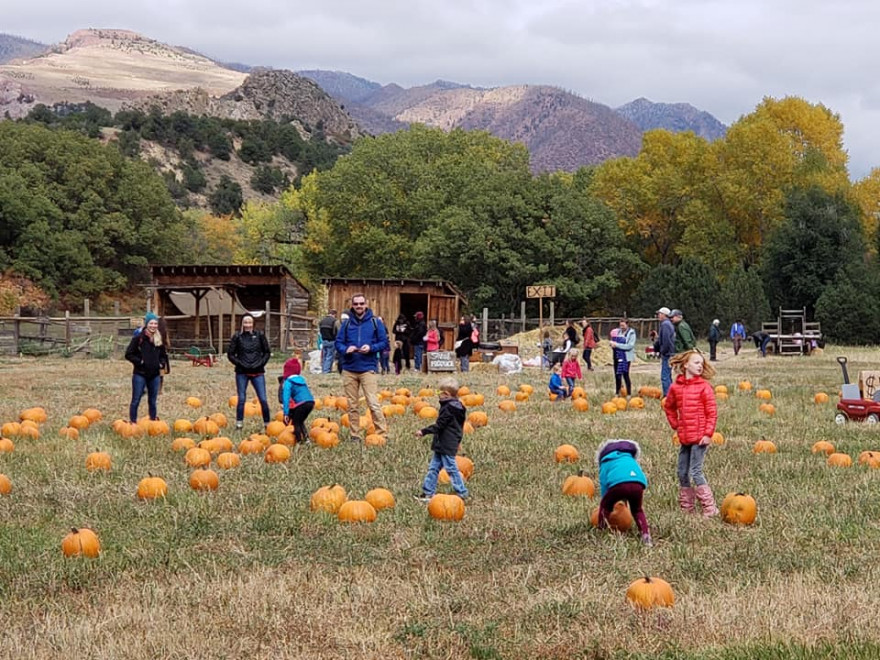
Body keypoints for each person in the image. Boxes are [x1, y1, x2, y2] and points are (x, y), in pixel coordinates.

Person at [664, 349, 718, 517]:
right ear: (685, 365)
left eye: (701, 364)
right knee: (681, 472)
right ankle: (687, 507)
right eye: (696, 363)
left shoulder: (704, 388)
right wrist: (675, 424)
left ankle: (710, 507)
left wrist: (708, 433)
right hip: (685, 437)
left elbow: (712, 412)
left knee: (696, 471)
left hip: (700, 437)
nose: (700, 366)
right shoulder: (675, 388)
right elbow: (669, 406)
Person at [335, 293, 389, 441]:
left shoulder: (375, 322)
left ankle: (382, 433)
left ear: (366, 305)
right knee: (352, 405)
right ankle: (355, 435)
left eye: (361, 304)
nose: (359, 306)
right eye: (356, 304)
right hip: (349, 368)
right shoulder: (346, 324)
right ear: (352, 306)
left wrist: (371, 347)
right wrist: (346, 349)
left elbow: (384, 342)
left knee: (372, 402)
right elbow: (338, 343)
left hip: (367, 367)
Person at [415, 377, 468, 502]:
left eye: (439, 393)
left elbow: (440, 426)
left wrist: (424, 431)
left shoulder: (449, 409)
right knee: (433, 468)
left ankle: (462, 492)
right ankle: (428, 492)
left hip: (446, 443)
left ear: (446, 394)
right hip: (443, 443)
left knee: (451, 468)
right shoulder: (457, 406)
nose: (437, 395)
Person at [595, 439, 652, 546]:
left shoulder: (606, 461)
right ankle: (646, 535)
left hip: (618, 484)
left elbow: (604, 484)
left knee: (605, 505)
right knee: (637, 509)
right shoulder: (629, 457)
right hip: (638, 482)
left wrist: (605, 500)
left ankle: (601, 529)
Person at [227, 313, 272, 430]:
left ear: (253, 324)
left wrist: (261, 363)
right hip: (242, 372)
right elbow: (230, 354)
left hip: (258, 372)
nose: (248, 325)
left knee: (263, 399)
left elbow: (267, 352)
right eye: (245, 322)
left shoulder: (260, 335)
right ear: (242, 323)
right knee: (241, 398)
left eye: (250, 322)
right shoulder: (237, 336)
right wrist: (240, 363)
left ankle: (267, 424)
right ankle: (239, 424)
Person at [125, 312, 168, 423]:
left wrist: (161, 364)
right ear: (146, 324)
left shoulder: (159, 339)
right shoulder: (139, 338)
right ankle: (133, 422)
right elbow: (129, 354)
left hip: (154, 375)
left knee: (152, 401)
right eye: (151, 323)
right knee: (136, 399)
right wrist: (140, 362)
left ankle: (153, 421)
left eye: (155, 323)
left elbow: (163, 355)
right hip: (140, 374)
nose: (153, 326)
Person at [281, 373, 315, 445]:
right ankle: (306, 439)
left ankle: (299, 441)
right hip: (311, 402)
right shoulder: (301, 380)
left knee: (296, 423)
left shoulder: (288, 382)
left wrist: (286, 413)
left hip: (301, 404)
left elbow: (286, 398)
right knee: (300, 421)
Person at [611, 319, 637, 397]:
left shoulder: (631, 333)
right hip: (617, 356)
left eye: (623, 325)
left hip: (626, 357)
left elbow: (630, 346)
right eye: (620, 325)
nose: (621, 327)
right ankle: (617, 392)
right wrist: (612, 344)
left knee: (625, 374)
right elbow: (614, 341)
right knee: (617, 375)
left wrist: (617, 345)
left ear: (627, 324)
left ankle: (628, 393)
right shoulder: (618, 332)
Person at [656, 307, 676, 396]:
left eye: (659, 314)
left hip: (667, 353)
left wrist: (662, 351)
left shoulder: (665, 325)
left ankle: (667, 395)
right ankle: (671, 393)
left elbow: (666, 340)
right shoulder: (668, 324)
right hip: (669, 353)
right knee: (668, 374)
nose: (658, 315)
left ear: (664, 315)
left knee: (665, 375)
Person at [318, 309, 339, 374]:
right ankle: (326, 371)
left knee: (324, 356)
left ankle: (323, 369)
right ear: (334, 314)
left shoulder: (322, 321)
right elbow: (336, 331)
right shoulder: (334, 321)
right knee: (330, 356)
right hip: (332, 340)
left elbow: (320, 331)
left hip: (324, 340)